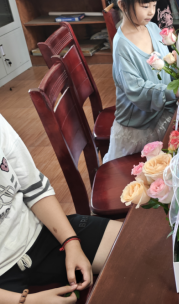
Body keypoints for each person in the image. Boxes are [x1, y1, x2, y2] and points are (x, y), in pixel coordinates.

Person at [0, 114, 122, 303]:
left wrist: (71, 242)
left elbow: (33, 188)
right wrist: (26, 301)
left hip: (40, 232)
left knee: (137, 245)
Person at [104, 0, 177, 163]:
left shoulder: (151, 27)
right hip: (138, 128)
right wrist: (173, 92)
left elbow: (167, 65)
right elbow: (136, 89)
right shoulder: (122, 45)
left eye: (153, 4)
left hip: (162, 112)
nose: (152, 12)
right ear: (122, 5)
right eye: (145, 6)